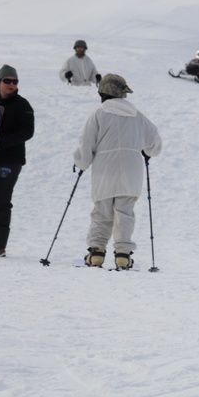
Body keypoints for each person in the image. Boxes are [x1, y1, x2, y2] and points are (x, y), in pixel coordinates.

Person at [73, 74, 162, 269]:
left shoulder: (98, 113)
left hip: (105, 170)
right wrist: (146, 151)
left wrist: (80, 163)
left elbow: (86, 143)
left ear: (103, 93)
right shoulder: (137, 115)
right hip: (131, 171)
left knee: (102, 212)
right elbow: (154, 144)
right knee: (125, 213)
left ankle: (96, 253)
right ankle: (122, 254)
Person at [0, 65, 35, 257]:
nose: (11, 84)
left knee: (0, 199)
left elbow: (27, 132)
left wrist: (1, 142)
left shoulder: (22, 105)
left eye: (14, 81)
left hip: (10, 159)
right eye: (7, 81)